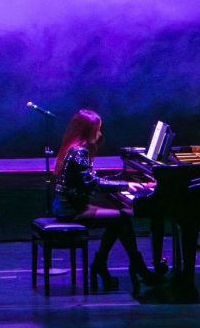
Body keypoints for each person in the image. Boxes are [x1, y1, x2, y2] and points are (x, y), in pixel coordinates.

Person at [53, 109, 154, 295]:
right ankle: (134, 267)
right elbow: (91, 182)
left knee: (118, 220)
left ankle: (102, 264)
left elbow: (90, 178)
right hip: (71, 211)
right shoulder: (79, 152)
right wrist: (125, 185)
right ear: (87, 131)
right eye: (97, 129)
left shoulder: (73, 148)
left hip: (68, 206)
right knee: (122, 218)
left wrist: (125, 182)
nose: (100, 134)